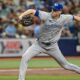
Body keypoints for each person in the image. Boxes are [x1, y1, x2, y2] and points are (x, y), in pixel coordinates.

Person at [18, 3, 80, 80]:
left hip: (53, 47)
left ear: (60, 11)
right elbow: (31, 11)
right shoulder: (46, 15)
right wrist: (21, 16)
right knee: (24, 57)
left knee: (65, 65)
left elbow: (75, 17)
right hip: (39, 45)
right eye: (53, 9)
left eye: (55, 10)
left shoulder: (65, 18)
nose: (53, 11)